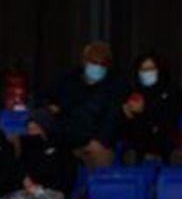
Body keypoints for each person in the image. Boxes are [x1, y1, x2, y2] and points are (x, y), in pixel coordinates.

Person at [42, 40, 130, 169]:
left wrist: (100, 140)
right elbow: (44, 96)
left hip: (98, 143)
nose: (98, 67)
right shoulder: (68, 81)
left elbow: (112, 118)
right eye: (94, 62)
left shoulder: (116, 85)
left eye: (103, 64)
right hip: (67, 140)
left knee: (101, 158)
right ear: (84, 61)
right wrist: (49, 106)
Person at [4, 112, 78, 199]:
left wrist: (38, 187)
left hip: (53, 193)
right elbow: (16, 176)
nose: (32, 133)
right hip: (27, 194)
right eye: (29, 130)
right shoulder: (24, 150)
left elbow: (66, 180)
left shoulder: (63, 150)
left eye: (35, 129)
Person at [119, 52, 182, 165]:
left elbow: (170, 117)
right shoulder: (133, 91)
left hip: (164, 137)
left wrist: (145, 110)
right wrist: (126, 114)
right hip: (140, 138)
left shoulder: (171, 90)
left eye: (150, 68)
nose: (147, 73)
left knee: (167, 139)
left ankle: (172, 157)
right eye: (143, 69)